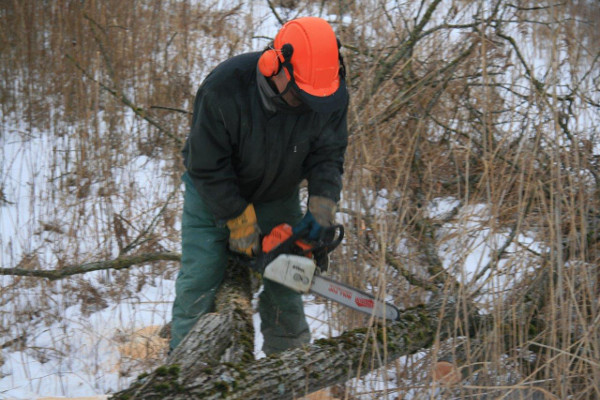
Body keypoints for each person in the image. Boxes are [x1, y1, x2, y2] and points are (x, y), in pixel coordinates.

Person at [170, 16, 349, 355]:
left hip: (276, 194)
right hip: (211, 195)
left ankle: (290, 366)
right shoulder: (224, 89)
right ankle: (184, 369)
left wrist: (322, 207)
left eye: (317, 99)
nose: (309, 106)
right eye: (301, 95)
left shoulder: (328, 91)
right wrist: (239, 223)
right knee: (200, 280)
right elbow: (206, 166)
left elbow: (329, 153)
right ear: (274, 65)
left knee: (289, 277)